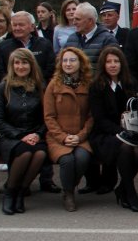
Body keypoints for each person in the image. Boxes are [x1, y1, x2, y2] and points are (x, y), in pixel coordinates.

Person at [0, 48, 48, 215]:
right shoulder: (4, 87)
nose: (21, 66)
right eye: (17, 63)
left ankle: (21, 193)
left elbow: (47, 117)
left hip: (35, 134)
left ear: (31, 65)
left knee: (39, 154)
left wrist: (37, 134)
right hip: (11, 136)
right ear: (12, 65)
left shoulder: (40, 87)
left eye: (24, 62)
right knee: (24, 153)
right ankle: (10, 192)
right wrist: (21, 136)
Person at [88, 46, 138, 211]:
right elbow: (99, 118)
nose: (113, 65)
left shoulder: (130, 82)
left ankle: (122, 189)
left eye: (116, 61)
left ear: (122, 63)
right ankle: (130, 192)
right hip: (105, 134)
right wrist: (119, 131)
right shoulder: (96, 85)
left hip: (129, 131)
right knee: (126, 148)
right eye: (109, 62)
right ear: (103, 65)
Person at [43, 47, 94, 212]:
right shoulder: (53, 85)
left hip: (81, 136)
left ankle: (68, 187)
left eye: (72, 60)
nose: (68, 63)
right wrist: (63, 137)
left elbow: (92, 116)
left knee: (82, 157)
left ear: (80, 63)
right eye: (65, 60)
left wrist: (80, 136)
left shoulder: (88, 85)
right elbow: (49, 117)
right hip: (58, 137)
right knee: (67, 160)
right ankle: (69, 193)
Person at [0, 11, 55, 87]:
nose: (17, 28)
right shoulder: (3, 47)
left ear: (32, 27)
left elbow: (51, 69)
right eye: (14, 25)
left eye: (21, 25)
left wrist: (34, 82)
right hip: (13, 91)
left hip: (39, 90)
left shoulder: (44, 44)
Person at [64, 2, 119, 69]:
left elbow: (112, 68)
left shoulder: (108, 40)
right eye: (74, 19)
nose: (74, 23)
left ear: (90, 21)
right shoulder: (71, 39)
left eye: (78, 19)